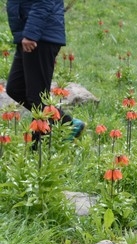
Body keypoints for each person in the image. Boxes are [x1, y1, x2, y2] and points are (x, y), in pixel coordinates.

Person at [5, 0, 85, 144]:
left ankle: (38, 150)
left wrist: (31, 33)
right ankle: (66, 122)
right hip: (28, 34)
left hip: (39, 37)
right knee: (15, 88)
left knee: (37, 98)